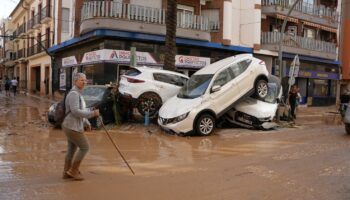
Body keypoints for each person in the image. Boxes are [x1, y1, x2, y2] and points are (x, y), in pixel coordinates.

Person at [61, 73, 100, 181]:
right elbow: (75, 111)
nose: (84, 82)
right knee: (85, 147)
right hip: (72, 127)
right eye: (82, 80)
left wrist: (87, 123)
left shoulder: (78, 94)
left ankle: (66, 173)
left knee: (71, 150)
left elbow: (81, 111)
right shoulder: (74, 94)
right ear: (75, 81)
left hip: (71, 126)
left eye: (85, 80)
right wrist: (92, 114)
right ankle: (73, 171)